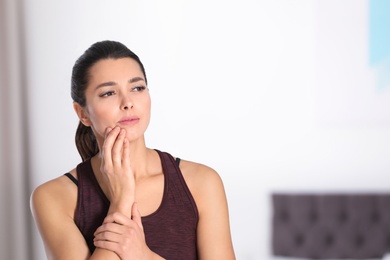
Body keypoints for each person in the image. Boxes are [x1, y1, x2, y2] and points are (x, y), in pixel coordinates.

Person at [30, 40, 236, 260]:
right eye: (109, 93)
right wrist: (121, 202)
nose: (127, 102)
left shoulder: (201, 182)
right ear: (82, 113)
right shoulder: (54, 197)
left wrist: (142, 255)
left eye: (137, 88)